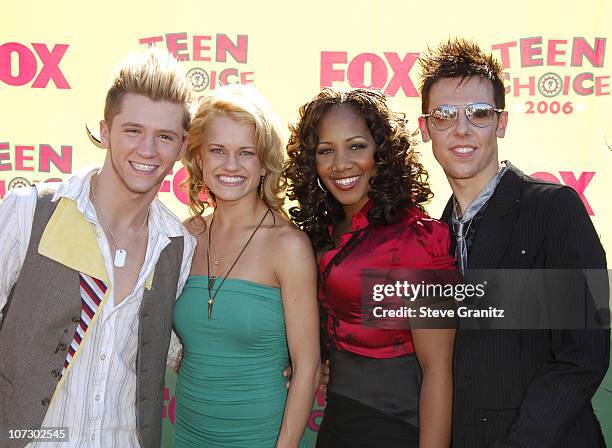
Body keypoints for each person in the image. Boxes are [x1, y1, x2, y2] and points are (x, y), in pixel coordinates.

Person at [418, 38, 610, 447]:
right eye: (444, 115)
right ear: (425, 128)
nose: (462, 129)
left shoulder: (555, 207)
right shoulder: (432, 237)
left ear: (501, 123)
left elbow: (583, 354)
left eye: (479, 113)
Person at [0, 48, 196, 448]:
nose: (147, 150)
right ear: (106, 131)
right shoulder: (28, 213)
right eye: (133, 130)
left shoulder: (178, 245)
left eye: (165, 137)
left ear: (181, 147)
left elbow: (177, 350)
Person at [285, 88, 456, 448]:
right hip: (338, 423)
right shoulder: (325, 232)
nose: (340, 163)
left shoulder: (418, 241)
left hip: (395, 429)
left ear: (382, 152)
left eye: (357, 146)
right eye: (325, 150)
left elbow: (438, 371)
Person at [174, 84, 320, 448]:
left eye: (246, 153)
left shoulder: (288, 246)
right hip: (189, 434)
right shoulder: (184, 236)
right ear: (199, 158)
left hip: (264, 436)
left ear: (264, 162)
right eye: (218, 151)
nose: (231, 166)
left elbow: (308, 368)